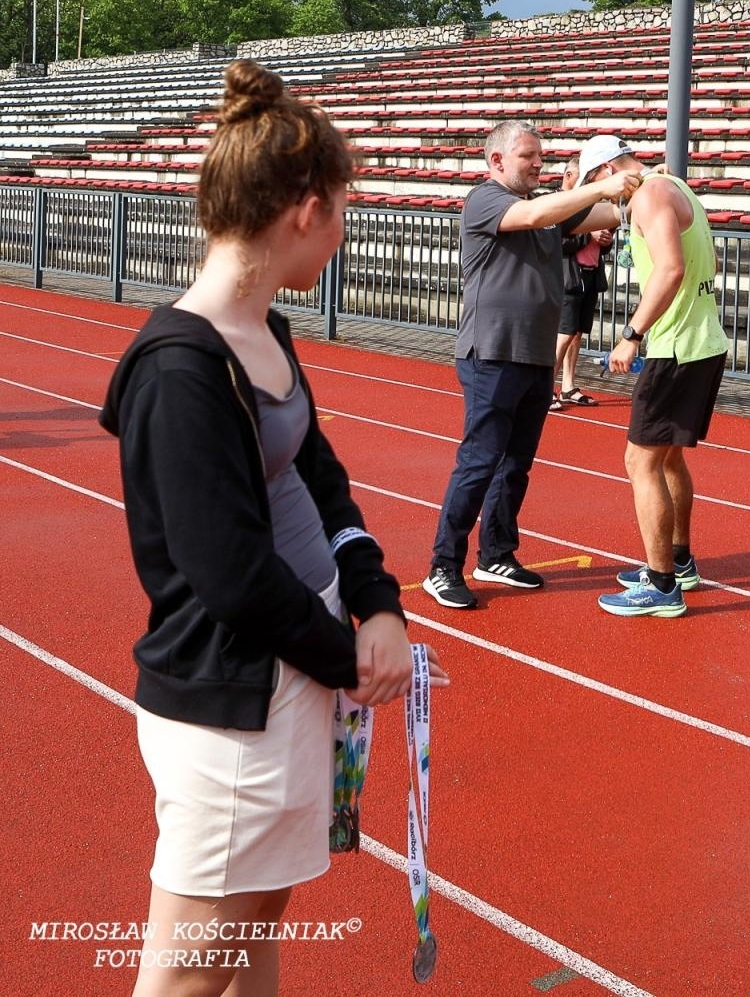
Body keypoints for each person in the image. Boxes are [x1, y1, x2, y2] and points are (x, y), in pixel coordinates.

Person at [99, 59, 447, 996]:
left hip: (297, 671)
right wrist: (351, 659)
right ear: (306, 209)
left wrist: (377, 601)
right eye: (342, 212)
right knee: (186, 975)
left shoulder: (267, 332)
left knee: (255, 927)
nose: (342, 232)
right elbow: (228, 574)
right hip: (236, 699)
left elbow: (320, 478)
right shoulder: (180, 370)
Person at [423, 123, 640, 609]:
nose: (539, 162)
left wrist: (645, 185)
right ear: (497, 161)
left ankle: (496, 553)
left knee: (515, 464)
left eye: (541, 155)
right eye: (528, 155)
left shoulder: (547, 210)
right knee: (480, 461)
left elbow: (608, 212)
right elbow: (538, 212)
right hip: (492, 353)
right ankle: (443, 565)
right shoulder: (487, 199)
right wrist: (602, 185)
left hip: (535, 357)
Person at [577, 135, 729, 618]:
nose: (602, 193)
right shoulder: (672, 185)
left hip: (675, 347)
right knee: (667, 460)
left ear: (607, 170)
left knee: (639, 462)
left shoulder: (650, 194)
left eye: (595, 183)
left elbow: (670, 270)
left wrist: (632, 334)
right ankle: (678, 562)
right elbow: (704, 262)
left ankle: (662, 584)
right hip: (700, 340)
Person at [554, 157, 614, 409]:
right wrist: (588, 235)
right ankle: (544, 388)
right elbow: (555, 243)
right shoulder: (555, 203)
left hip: (589, 275)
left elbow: (602, 244)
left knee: (576, 333)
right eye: (583, 179)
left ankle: (568, 386)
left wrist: (605, 239)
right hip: (567, 278)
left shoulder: (589, 205)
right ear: (569, 176)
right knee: (564, 333)